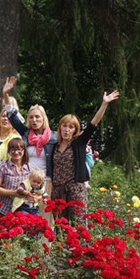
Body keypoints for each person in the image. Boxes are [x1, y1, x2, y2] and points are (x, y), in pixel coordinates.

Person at [49, 90, 119, 223]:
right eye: (64, 126)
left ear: (75, 130)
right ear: (60, 127)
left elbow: (93, 125)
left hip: (76, 189)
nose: (67, 129)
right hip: (58, 191)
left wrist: (104, 104)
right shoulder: (54, 146)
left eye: (71, 127)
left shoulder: (78, 143)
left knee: (78, 225)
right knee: (60, 227)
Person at [2, 75, 57, 220]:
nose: (34, 120)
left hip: (46, 182)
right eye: (31, 117)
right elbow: (12, 115)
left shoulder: (54, 137)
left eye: (37, 117)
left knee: (45, 219)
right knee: (24, 217)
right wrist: (6, 94)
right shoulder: (26, 134)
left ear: (43, 118)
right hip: (27, 181)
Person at [0, 137, 31, 216]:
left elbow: (33, 187)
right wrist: (13, 193)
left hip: (22, 210)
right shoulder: (3, 166)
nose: (16, 152)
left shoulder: (28, 167)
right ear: (9, 151)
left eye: (19, 149)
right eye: (13, 149)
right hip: (4, 209)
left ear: (24, 151)